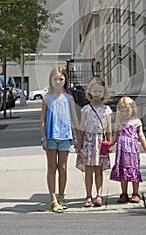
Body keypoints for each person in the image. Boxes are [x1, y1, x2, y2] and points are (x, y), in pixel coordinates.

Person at [40, 67, 78, 213]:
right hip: (50, 137)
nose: (58, 81)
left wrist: (78, 136)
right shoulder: (46, 98)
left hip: (65, 137)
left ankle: (62, 196)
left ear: (65, 80)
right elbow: (42, 120)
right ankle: (53, 199)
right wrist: (43, 137)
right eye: (55, 79)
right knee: (52, 168)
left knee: (62, 168)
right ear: (51, 81)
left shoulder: (69, 98)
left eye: (61, 79)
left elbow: (74, 118)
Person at [75, 77, 112, 207]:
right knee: (89, 169)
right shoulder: (86, 109)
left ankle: (99, 195)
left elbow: (108, 128)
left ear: (104, 93)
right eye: (95, 91)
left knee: (99, 169)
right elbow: (81, 125)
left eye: (100, 91)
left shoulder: (107, 110)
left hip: (100, 141)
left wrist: (110, 143)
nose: (97, 93)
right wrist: (79, 140)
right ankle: (88, 195)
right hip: (88, 141)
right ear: (90, 92)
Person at [110, 96, 146, 203]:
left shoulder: (136, 122)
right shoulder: (119, 123)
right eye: (123, 110)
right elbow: (115, 136)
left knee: (134, 171)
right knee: (123, 173)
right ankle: (124, 193)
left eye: (128, 110)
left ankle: (135, 193)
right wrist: (110, 144)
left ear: (133, 109)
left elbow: (141, 136)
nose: (125, 113)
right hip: (121, 152)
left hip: (132, 152)